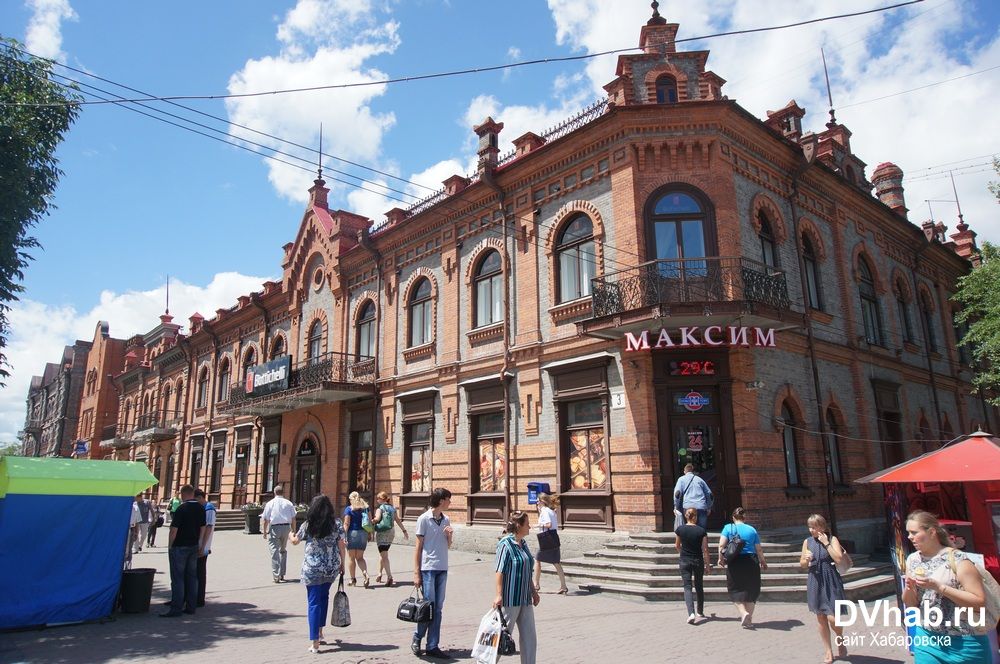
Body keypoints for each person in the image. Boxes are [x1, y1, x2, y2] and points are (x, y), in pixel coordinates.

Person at [902, 510, 990, 663]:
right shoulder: (912, 560)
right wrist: (910, 588)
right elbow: (910, 604)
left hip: (965, 642)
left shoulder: (958, 560)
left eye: (914, 532)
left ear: (932, 532)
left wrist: (939, 587)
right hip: (927, 638)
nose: (910, 537)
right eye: (908, 533)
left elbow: (979, 602)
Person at [290, 494, 347, 654]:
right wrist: (343, 564)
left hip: (312, 568)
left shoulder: (308, 524)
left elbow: (295, 541)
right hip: (331, 567)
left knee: (314, 602)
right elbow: (342, 544)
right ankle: (320, 632)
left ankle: (315, 641)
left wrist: (290, 536)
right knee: (324, 598)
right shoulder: (336, 523)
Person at [412, 487, 454, 659]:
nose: (450, 502)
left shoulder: (446, 519)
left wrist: (449, 536)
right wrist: (416, 573)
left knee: (437, 609)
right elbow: (418, 547)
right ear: (441, 500)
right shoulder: (423, 519)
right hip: (428, 568)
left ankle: (432, 645)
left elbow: (448, 545)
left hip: (442, 568)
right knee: (428, 608)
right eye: (449, 499)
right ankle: (417, 638)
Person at [800, 514, 848, 663]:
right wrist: (805, 560)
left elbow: (839, 558)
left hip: (830, 579)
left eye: (814, 527)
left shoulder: (832, 539)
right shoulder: (807, 542)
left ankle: (839, 638)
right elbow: (801, 564)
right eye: (810, 527)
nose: (811, 530)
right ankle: (828, 650)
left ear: (822, 527)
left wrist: (826, 543)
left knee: (833, 618)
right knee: (821, 617)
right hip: (815, 579)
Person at [494, 511, 540, 664]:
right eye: (527, 524)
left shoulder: (523, 543)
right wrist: (498, 595)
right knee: (503, 638)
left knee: (529, 638)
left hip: (525, 598)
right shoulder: (505, 544)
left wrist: (534, 592)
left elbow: (527, 570)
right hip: (510, 599)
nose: (530, 527)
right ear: (519, 526)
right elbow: (499, 571)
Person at [717, 506, 767, 629]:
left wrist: (720, 558)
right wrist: (763, 561)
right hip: (751, 561)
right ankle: (749, 620)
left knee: (734, 589)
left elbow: (721, 545)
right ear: (744, 517)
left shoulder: (728, 528)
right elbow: (758, 548)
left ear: (733, 517)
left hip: (735, 562)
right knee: (751, 590)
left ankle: (743, 613)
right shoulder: (752, 530)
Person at [161, 484, 206, 617]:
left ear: (183, 494)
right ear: (193, 494)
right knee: (192, 577)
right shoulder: (200, 508)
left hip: (179, 546)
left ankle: (176, 608)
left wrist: (170, 545)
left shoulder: (181, 508)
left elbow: (173, 529)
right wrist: (200, 543)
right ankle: (191, 607)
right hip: (194, 546)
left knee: (178, 578)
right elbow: (203, 527)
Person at [675, 507, 710, 624]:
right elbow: (705, 549)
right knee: (699, 585)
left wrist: (683, 553)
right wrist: (708, 564)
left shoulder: (680, 529)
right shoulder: (701, 531)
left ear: (686, 515)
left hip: (684, 560)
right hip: (698, 560)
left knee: (687, 586)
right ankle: (700, 611)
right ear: (696, 516)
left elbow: (677, 545)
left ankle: (691, 613)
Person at [531, 493, 567, 594]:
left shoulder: (545, 511)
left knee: (537, 559)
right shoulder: (551, 511)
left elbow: (548, 524)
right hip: (553, 537)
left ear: (542, 501)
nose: (537, 503)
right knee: (556, 562)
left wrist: (537, 525)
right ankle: (563, 586)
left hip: (546, 538)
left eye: (538, 501)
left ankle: (536, 585)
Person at [372, 491, 408, 587]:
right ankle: (380, 573)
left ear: (382, 499)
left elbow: (377, 518)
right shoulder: (392, 509)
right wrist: (404, 531)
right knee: (383, 554)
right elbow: (398, 520)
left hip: (382, 533)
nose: (377, 500)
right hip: (391, 533)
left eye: (378, 498)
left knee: (384, 556)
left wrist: (372, 520)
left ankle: (389, 577)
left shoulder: (380, 509)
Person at [262, 485, 296, 582]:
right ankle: (282, 574)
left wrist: (264, 532)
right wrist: (293, 530)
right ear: (283, 492)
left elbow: (266, 519)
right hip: (286, 528)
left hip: (275, 528)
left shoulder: (270, 503)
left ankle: (276, 575)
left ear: (274, 492)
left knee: (274, 551)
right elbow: (293, 518)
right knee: (283, 550)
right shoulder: (288, 503)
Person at [343, 491, 371, 587]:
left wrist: (344, 535)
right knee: (360, 558)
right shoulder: (366, 508)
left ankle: (352, 579)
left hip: (352, 534)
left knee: (351, 558)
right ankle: (365, 573)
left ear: (351, 499)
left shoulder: (349, 509)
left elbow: (346, 523)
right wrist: (370, 533)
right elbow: (370, 521)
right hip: (363, 533)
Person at [673, 463, 713, 530]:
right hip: (701, 506)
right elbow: (710, 494)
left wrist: (676, 507)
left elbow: (677, 494)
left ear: (684, 471)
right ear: (693, 471)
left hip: (688, 507)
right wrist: (709, 506)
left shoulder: (681, 479)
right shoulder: (700, 480)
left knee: (689, 528)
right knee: (702, 530)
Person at [194, 489, 216, 608]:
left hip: (203, 546)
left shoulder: (209, 508)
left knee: (200, 573)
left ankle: (199, 599)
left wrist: (203, 547)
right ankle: (194, 596)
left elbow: (208, 528)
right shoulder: (203, 508)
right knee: (195, 572)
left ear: (200, 498)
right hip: (198, 545)